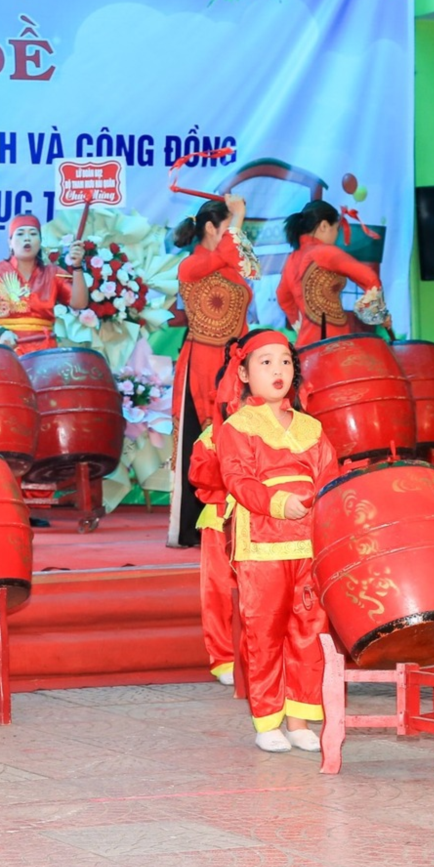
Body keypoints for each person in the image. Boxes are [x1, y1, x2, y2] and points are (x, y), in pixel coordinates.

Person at [215, 328, 338, 753]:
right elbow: (238, 480)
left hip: (310, 544)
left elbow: (329, 480)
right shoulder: (236, 427)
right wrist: (279, 502)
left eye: (285, 361)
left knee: (309, 629)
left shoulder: (311, 427)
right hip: (262, 543)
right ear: (244, 373)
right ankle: (267, 720)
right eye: (265, 362)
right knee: (264, 632)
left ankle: (299, 720)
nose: (277, 370)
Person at [168, 195, 259, 683]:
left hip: (234, 357)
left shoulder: (231, 258)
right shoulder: (192, 263)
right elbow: (220, 259)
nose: (233, 233)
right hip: (202, 357)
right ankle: (197, 524)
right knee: (203, 439)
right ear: (211, 228)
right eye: (226, 225)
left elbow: (243, 268)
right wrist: (235, 222)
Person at [0, 214, 89, 354]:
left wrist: (77, 266)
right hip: (8, 349)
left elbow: (79, 303)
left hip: (44, 352)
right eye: (20, 234)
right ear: (10, 242)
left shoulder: (53, 273)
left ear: (40, 241)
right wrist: (1, 332)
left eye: (33, 234)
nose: (27, 238)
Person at [274, 200, 385, 346]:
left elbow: (283, 297)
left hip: (305, 345)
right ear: (324, 226)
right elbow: (369, 276)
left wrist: (300, 324)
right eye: (337, 229)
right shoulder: (324, 252)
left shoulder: (292, 259)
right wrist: (378, 313)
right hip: (332, 341)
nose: (336, 235)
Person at [185, 421, 235, 685]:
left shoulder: (295, 425)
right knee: (221, 591)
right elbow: (200, 474)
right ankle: (225, 657)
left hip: (276, 522)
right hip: (221, 519)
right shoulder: (215, 434)